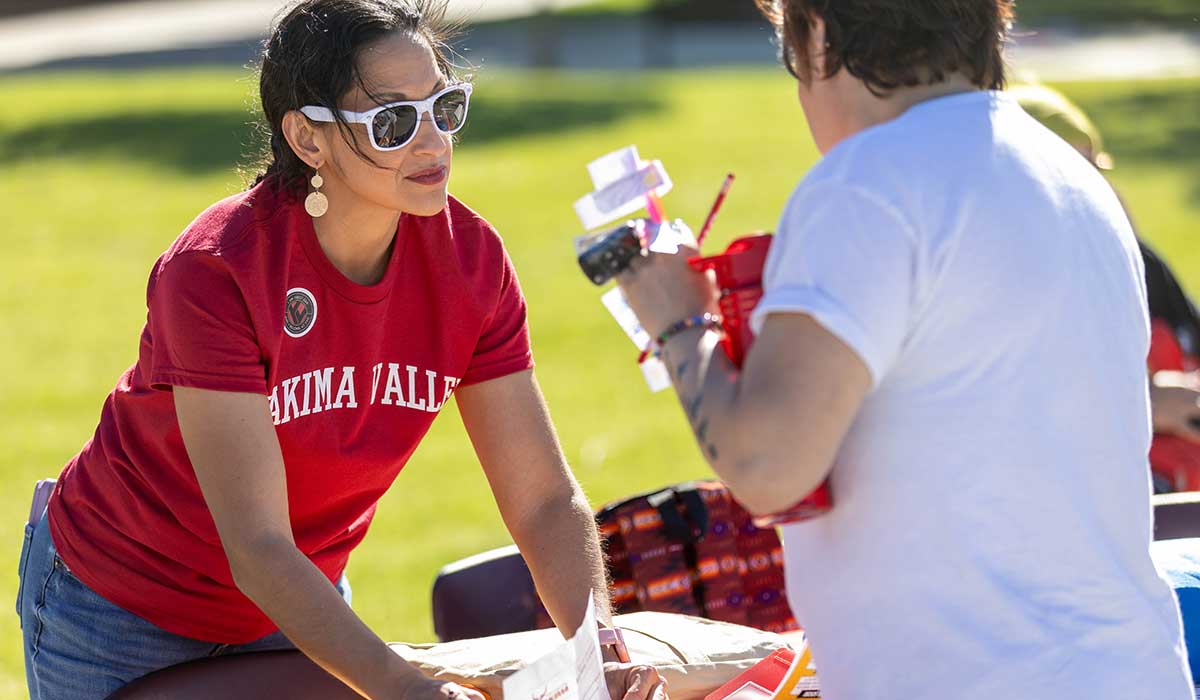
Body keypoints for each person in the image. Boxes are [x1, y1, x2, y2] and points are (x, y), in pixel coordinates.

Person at [15, 2, 668, 699]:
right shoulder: (214, 269)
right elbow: (259, 547)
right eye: (392, 122)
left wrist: (599, 645)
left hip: (299, 604)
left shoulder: (469, 261)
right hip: (119, 609)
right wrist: (400, 685)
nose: (432, 143)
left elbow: (540, 498)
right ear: (307, 137)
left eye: (444, 108)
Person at [616, 0, 1193, 696]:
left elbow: (766, 465)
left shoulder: (870, 182)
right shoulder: (1068, 175)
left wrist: (679, 321)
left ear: (819, 34)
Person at [1012, 83, 1200, 493]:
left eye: (1095, 171)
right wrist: (1145, 405)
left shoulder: (1138, 261)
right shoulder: (1003, 285)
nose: (1096, 194)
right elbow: (1015, 412)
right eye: (1070, 177)